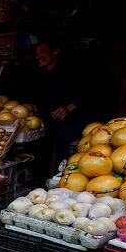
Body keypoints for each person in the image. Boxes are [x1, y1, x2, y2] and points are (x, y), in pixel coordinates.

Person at [30, 38, 86, 175]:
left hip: (69, 124)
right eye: (37, 53)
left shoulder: (70, 72)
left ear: (55, 51)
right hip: (47, 125)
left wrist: (69, 108)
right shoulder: (39, 75)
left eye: (43, 51)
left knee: (65, 159)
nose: (38, 56)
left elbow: (85, 95)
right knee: (42, 158)